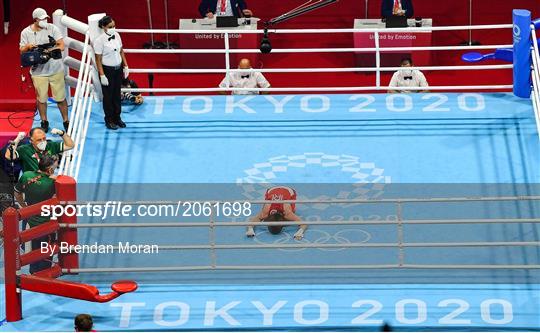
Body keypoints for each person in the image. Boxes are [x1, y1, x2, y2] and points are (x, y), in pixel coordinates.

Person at [19, 8, 69, 133]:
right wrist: (28, 47)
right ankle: (44, 121)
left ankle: (66, 121)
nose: (45, 20)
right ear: (35, 20)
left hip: (56, 70)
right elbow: (21, 50)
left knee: (61, 98)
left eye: (46, 18)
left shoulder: (52, 28)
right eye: (42, 19)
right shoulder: (25, 32)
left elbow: (61, 45)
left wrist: (48, 51)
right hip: (38, 72)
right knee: (41, 99)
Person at [14, 154, 58, 274]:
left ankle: (33, 273)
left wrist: (25, 207)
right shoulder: (53, 182)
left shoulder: (26, 175)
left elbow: (17, 193)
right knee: (45, 252)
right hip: (46, 223)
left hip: (29, 220)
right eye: (55, 165)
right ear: (49, 169)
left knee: (29, 249)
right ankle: (43, 276)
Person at [94, 15, 129, 130]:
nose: (113, 28)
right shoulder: (99, 41)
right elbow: (98, 59)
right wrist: (102, 75)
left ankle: (117, 118)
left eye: (114, 26)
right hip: (107, 71)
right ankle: (109, 120)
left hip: (118, 69)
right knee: (108, 97)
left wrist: (126, 65)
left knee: (117, 95)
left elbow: (121, 51)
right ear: (104, 27)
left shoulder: (117, 35)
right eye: (110, 26)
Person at [4, 127, 74, 173]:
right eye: (39, 140)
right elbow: (8, 156)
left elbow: (70, 145)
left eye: (44, 138)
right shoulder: (24, 149)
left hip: (48, 180)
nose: (43, 141)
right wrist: (17, 140)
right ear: (31, 140)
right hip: (32, 182)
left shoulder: (50, 145)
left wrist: (62, 133)